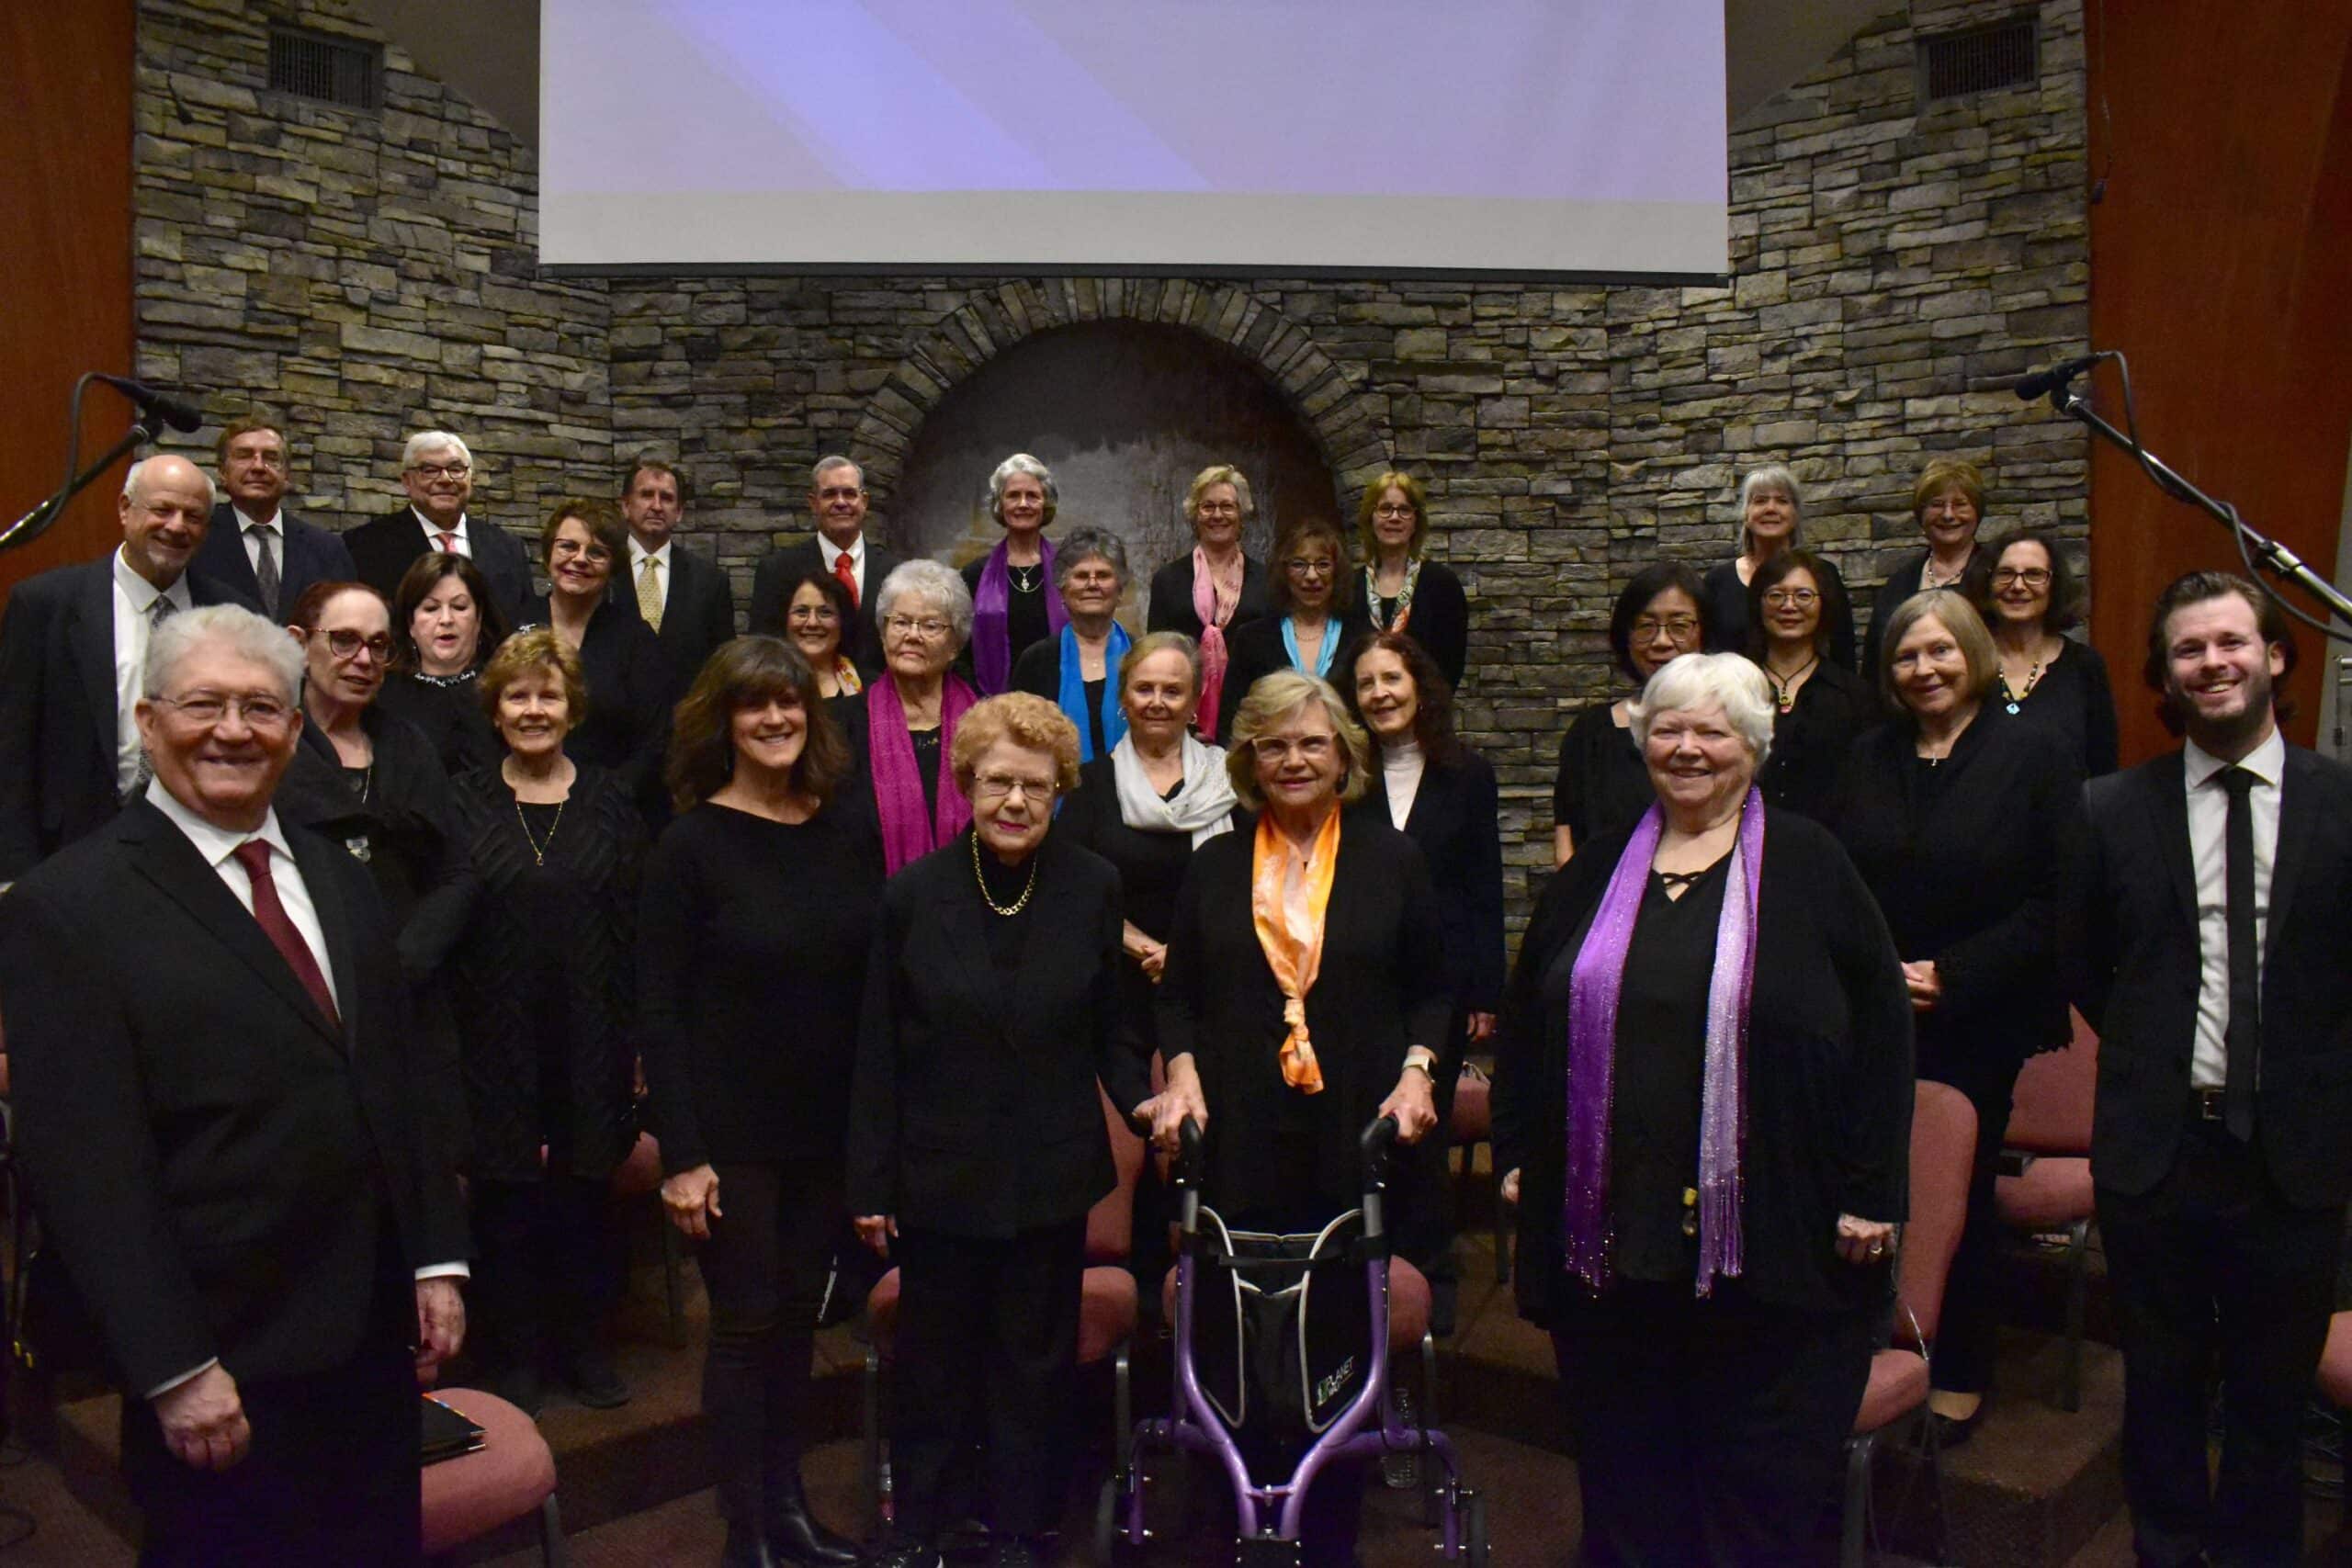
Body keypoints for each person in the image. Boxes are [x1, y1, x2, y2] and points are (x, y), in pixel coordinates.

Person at [0, 604, 469, 1565]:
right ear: (146, 719)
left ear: (296, 731)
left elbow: (398, 1078)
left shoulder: (340, 876)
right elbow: (86, 1168)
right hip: (222, 1363)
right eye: (202, 704)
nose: (232, 730)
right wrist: (172, 1367)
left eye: (261, 707)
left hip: (369, 1344)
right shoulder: (69, 908)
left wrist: (434, 1260)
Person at [1494, 651, 1913, 1567]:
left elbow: (1883, 1038)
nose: (1688, 749)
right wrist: (1520, 1151)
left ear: (1752, 747)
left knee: (1756, 1497)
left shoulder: (1811, 864)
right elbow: (1529, 1016)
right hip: (1613, 1245)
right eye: (1668, 730)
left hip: (1774, 1247)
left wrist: (1874, 1193)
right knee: (1626, 1481)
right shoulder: (1597, 867)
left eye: (1711, 732)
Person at [2063, 572, 2352, 1568]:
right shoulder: (2107, 809)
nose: (2211, 662)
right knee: (2160, 1392)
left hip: (2297, 1156)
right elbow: (2088, 968)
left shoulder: (2343, 804)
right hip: (2158, 1152)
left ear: (2275, 656)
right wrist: (2161, 1054)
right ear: (2166, 677)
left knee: (2274, 1403)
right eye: (2188, 650)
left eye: (2231, 642)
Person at [1142, 670, 1453, 1565]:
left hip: (1356, 1133)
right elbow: (1178, 1002)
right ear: (1247, 758)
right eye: (1273, 744)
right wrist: (1186, 1076)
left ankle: (1329, 1524)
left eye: (1311, 743)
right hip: (1236, 1135)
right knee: (1236, 1321)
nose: (1292, 759)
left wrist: (1420, 1072)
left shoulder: (1392, 859)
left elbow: (1434, 989)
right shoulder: (1212, 864)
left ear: (1343, 755)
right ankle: (1225, 1516)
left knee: (1339, 1327)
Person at [848, 694, 1149, 1568]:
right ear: (967, 784)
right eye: (998, 782)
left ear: (1060, 791)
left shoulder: (1094, 885)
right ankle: (921, 1528)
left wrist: (1146, 1104)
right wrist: (870, 1182)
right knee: (935, 1367)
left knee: (1032, 1367)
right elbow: (878, 1049)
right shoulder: (913, 893)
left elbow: (1112, 1033)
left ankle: (1022, 1529)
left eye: (1036, 785)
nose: (1016, 801)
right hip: (939, 1178)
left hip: (1050, 1178)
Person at [640, 637, 880, 1568]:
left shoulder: (846, 826)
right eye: (754, 705)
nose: (776, 719)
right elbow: (657, 1010)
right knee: (744, 1327)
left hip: (823, 1129)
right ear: (723, 721)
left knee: (791, 1326)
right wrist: (682, 1155)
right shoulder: (689, 845)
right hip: (729, 1137)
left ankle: (788, 1514)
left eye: (789, 702)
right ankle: (746, 1532)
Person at [1826, 589, 2077, 1442]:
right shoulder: (1865, 755)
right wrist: (1876, 970)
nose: (1923, 669)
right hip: (1871, 1008)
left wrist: (1955, 975)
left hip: (1980, 1011)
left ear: (1971, 652)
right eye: (1906, 655)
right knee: (1861, 1175)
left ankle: (1958, 1360)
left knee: (1951, 1188)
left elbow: (2055, 899)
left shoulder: (2035, 753)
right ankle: (1860, 1345)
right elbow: (1835, 876)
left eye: (1939, 651)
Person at [424, 627, 646, 1415]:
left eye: (548, 694)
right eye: (518, 695)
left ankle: (585, 1345)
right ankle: (513, 1352)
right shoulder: (462, 800)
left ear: (572, 707)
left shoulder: (612, 800)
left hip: (594, 1028)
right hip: (495, 1032)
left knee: (588, 1192)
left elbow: (633, 923)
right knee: (506, 1195)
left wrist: (638, 1042)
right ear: (495, 709)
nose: (533, 708)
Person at [0, 454, 256, 881]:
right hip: (65, 853)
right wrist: (12, 871)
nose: (176, 526)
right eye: (162, 510)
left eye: (193, 516)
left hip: (195, 853)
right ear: (124, 509)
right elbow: (10, 748)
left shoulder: (233, 615)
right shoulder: (45, 606)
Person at [1057, 632, 1240, 1063]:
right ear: (1124, 696)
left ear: (1195, 699)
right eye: (1144, 689)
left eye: (1173, 691)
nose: (1157, 701)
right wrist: (1149, 951)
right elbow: (1069, 886)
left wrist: (1187, 954)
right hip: (1120, 990)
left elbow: (1256, 879)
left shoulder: (1232, 780)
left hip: (1218, 986)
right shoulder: (1092, 784)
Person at [276, 581, 457, 953]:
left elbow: (455, 869)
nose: (363, 659)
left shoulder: (408, 746)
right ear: (298, 645)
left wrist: (411, 958)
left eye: (378, 645)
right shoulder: (270, 746)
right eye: (344, 640)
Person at [1552, 562, 1710, 865]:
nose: (1661, 642)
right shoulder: (1590, 732)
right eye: (1646, 626)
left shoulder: (1730, 729)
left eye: (1679, 626)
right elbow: (1566, 846)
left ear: (1704, 632)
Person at [524, 498, 670, 811]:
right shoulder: (514, 623)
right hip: (519, 800)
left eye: (596, 552)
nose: (579, 559)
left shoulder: (636, 639)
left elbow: (654, 742)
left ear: (613, 567)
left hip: (608, 809)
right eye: (567, 547)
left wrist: (607, 801)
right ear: (549, 553)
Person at [846, 560, 981, 875]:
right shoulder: (842, 724)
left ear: (954, 645)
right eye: (901, 622)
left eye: (931, 625)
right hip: (872, 906)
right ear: (883, 635)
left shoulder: (985, 724)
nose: (912, 635)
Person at [1967, 526, 2119, 776]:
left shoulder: (2084, 666)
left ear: (2054, 585)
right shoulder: (1965, 661)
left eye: (2034, 574)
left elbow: (2103, 767)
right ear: (1988, 581)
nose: (2018, 585)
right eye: (2005, 573)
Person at [344, 431, 534, 626]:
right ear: (407, 481)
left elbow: (525, 625)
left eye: (456, 469)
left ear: (471, 479)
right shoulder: (364, 546)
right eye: (429, 470)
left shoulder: (508, 548)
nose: (445, 479)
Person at [1145, 464, 1273, 740]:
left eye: (1227, 506)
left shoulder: (1268, 580)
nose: (1218, 515)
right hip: (1183, 719)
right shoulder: (1167, 579)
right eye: (1208, 507)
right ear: (1195, 516)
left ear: (1241, 516)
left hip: (1252, 719)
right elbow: (1156, 654)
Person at [1746, 548, 1876, 818]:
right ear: (1758, 603)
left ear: (1824, 604)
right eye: (1776, 595)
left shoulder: (1855, 695)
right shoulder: (1733, 686)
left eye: (1803, 595)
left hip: (1830, 845)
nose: (1789, 606)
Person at [1217, 516, 1367, 743]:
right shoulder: (1252, 639)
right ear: (1284, 572)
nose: (1312, 576)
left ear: (1338, 572)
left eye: (1323, 564)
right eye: (1299, 564)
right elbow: (1230, 722)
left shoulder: (1362, 638)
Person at [750, 456, 903, 675]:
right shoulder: (776, 571)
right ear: (813, 503)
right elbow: (765, 651)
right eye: (830, 494)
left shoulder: (894, 572)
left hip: (879, 701)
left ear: (864, 501)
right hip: (804, 698)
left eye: (849, 493)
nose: (840, 502)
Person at [196, 412, 357, 621]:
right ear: (222, 472)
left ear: (287, 474)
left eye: (271, 458)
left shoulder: (327, 549)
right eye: (244, 456)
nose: (258, 467)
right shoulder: (197, 539)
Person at [1701, 465, 1857, 671]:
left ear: (1795, 515)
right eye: (1760, 501)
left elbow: (1842, 650)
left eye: (1782, 501)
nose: (1771, 508)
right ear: (1746, 514)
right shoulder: (1717, 581)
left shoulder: (1823, 574)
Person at [378, 551, 511, 777]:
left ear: (478, 618)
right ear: (411, 623)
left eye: (459, 607)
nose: (446, 619)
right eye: (431, 608)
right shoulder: (383, 695)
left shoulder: (505, 689)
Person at [616, 454, 736, 705]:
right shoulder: (601, 571)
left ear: (679, 512)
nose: (657, 506)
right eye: (647, 495)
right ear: (626, 505)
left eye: (667, 498)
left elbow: (723, 666)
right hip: (611, 726)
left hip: (686, 728)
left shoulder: (710, 582)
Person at [1860, 457, 1993, 677]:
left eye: (1960, 504)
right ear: (1921, 514)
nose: (1948, 515)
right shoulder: (1898, 584)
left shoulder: (1997, 576)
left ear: (1977, 513)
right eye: (1937, 505)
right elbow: (1875, 662)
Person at [1011, 525, 1132, 761]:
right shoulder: (1036, 661)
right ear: (1062, 590)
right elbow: (1019, 741)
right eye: (1081, 575)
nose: (1092, 584)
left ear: (1120, 590)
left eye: (1104, 575)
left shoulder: (1142, 656)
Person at [959, 453, 1067, 696]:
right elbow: (960, 650)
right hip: (995, 706)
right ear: (1000, 505)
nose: (1023, 504)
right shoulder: (974, 575)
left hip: (1060, 702)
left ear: (1045, 503)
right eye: (1013, 496)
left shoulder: (1068, 569)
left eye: (1032, 496)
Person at [1356, 470, 1471, 691]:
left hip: (1426, 716)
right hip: (1363, 715)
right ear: (1370, 519)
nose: (1394, 517)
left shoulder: (1441, 584)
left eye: (1405, 510)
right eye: (1385, 508)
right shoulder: (1351, 586)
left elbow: (1451, 665)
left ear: (1416, 521)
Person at [771, 564, 864, 703]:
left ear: (842, 621)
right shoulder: (761, 684)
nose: (812, 623)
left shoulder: (873, 689)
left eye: (825, 613)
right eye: (801, 612)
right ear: (785, 620)